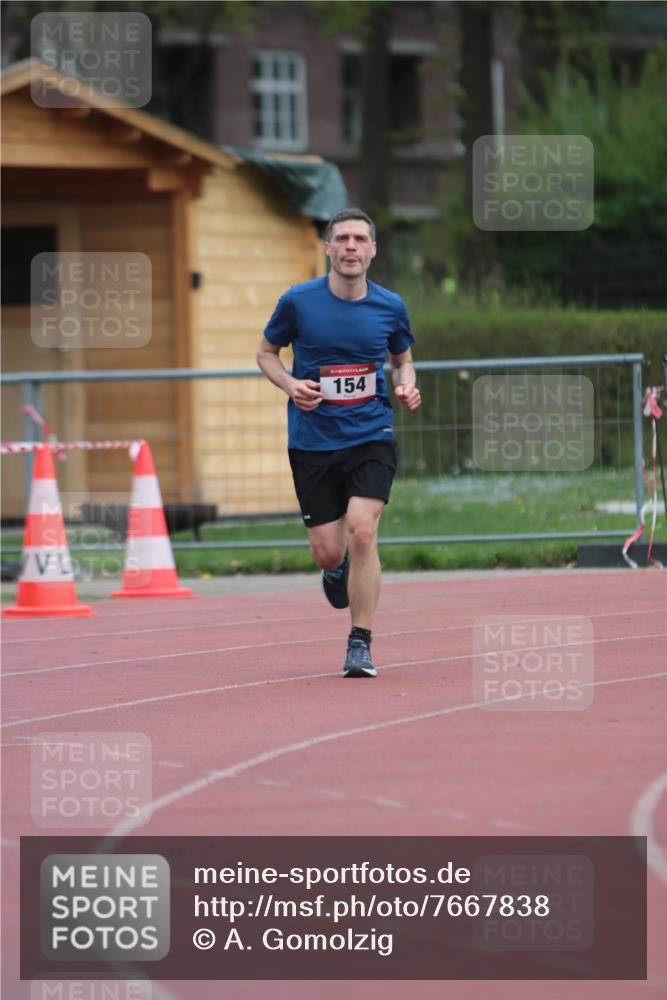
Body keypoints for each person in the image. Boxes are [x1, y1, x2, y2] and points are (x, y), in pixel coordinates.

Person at [256, 208, 421, 678]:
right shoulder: (297, 302)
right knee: (330, 550)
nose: (351, 247)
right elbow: (266, 354)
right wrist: (290, 384)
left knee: (363, 530)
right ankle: (334, 569)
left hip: (371, 434)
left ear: (372, 250)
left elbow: (402, 360)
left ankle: (360, 643)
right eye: (342, 239)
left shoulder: (390, 306)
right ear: (328, 248)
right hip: (313, 440)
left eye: (359, 239)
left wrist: (406, 384)